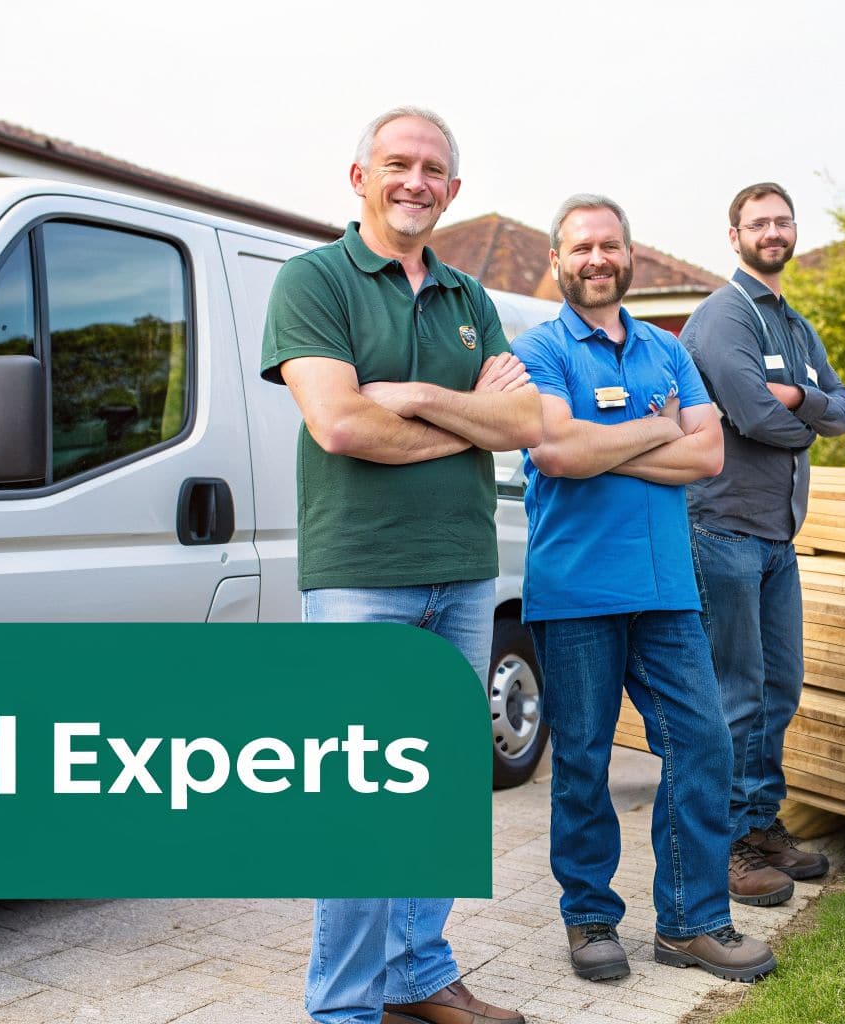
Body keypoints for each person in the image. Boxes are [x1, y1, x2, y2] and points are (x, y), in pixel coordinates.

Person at [261, 106, 539, 1024]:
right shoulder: (314, 280)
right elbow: (338, 423)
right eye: (397, 164)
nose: (415, 181)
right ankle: (344, 1008)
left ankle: (421, 975)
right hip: (361, 574)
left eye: (433, 170)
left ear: (452, 191)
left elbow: (526, 425)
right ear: (359, 178)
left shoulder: (469, 298)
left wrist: (418, 399)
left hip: (463, 571)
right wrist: (468, 423)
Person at [513, 194, 777, 985]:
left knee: (703, 744)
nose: (598, 258)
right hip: (576, 590)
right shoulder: (539, 349)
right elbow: (556, 452)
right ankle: (589, 916)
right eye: (581, 247)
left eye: (611, 245)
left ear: (631, 256)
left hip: (667, 590)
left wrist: (605, 447)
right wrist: (660, 427)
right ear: (557, 262)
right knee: (585, 760)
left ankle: (692, 921)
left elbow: (709, 459)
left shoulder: (667, 350)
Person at [679, 182, 845, 908]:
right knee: (735, 696)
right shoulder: (722, 319)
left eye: (782, 221)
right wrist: (801, 415)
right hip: (722, 530)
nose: (773, 232)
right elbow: (751, 415)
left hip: (778, 537)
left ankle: (760, 825)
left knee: (778, 687)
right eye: (759, 223)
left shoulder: (796, 326)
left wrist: (803, 402)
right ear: (734, 235)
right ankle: (724, 847)